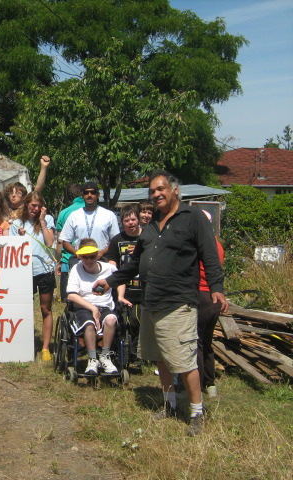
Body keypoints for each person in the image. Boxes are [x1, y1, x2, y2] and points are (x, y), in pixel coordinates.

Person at [94, 170, 228, 436]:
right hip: (151, 299)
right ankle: (169, 404)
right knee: (162, 359)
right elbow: (135, 263)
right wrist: (111, 281)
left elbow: (209, 255)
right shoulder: (152, 222)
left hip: (178, 301)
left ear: (174, 190)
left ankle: (196, 412)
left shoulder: (193, 218)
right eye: (152, 191)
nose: (156, 194)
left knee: (184, 360)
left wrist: (217, 288)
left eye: (160, 189)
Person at [10, 191, 56, 361]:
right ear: (26, 205)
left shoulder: (47, 219)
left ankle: (45, 348)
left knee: (46, 309)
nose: (35, 209)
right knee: (23, 308)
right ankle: (23, 343)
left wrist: (43, 221)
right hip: (24, 272)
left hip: (44, 269)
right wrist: (20, 238)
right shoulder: (16, 223)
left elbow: (50, 242)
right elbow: (12, 250)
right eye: (32, 206)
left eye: (38, 206)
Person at [66, 239, 119, 375]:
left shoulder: (109, 268)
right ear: (80, 257)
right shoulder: (76, 269)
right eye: (85, 257)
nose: (88, 260)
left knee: (111, 320)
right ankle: (92, 358)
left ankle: (105, 356)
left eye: (92, 257)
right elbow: (71, 295)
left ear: (97, 255)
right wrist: (93, 308)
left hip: (105, 306)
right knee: (89, 324)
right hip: (84, 307)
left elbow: (121, 280)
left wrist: (122, 296)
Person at [103, 204, 143, 363]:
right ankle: (123, 353)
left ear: (138, 219)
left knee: (137, 322)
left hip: (142, 289)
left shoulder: (146, 237)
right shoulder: (117, 240)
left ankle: (138, 355)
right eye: (127, 220)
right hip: (123, 289)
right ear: (122, 222)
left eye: (133, 219)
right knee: (123, 322)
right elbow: (112, 262)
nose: (130, 223)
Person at [197, 210, 225, 398]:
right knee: (207, 341)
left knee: (195, 342)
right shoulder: (218, 244)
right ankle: (210, 383)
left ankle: (196, 385)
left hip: (201, 294)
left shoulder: (201, 245)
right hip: (214, 297)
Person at [0, 155, 51, 220]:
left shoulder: (26, 209)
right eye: (11, 192)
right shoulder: (4, 208)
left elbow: (37, 190)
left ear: (24, 197)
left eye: (18, 193)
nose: (13, 195)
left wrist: (43, 167)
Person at [59, 181, 119, 261]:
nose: (89, 195)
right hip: (81, 262)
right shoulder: (74, 215)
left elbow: (115, 241)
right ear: (82, 195)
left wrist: (101, 253)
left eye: (93, 192)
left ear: (98, 195)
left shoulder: (109, 215)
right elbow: (65, 241)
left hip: (102, 260)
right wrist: (77, 253)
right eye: (86, 193)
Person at [55, 183, 85, 302]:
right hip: (93, 259)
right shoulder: (94, 210)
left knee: (69, 301)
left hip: (69, 260)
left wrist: (59, 261)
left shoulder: (64, 213)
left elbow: (60, 241)